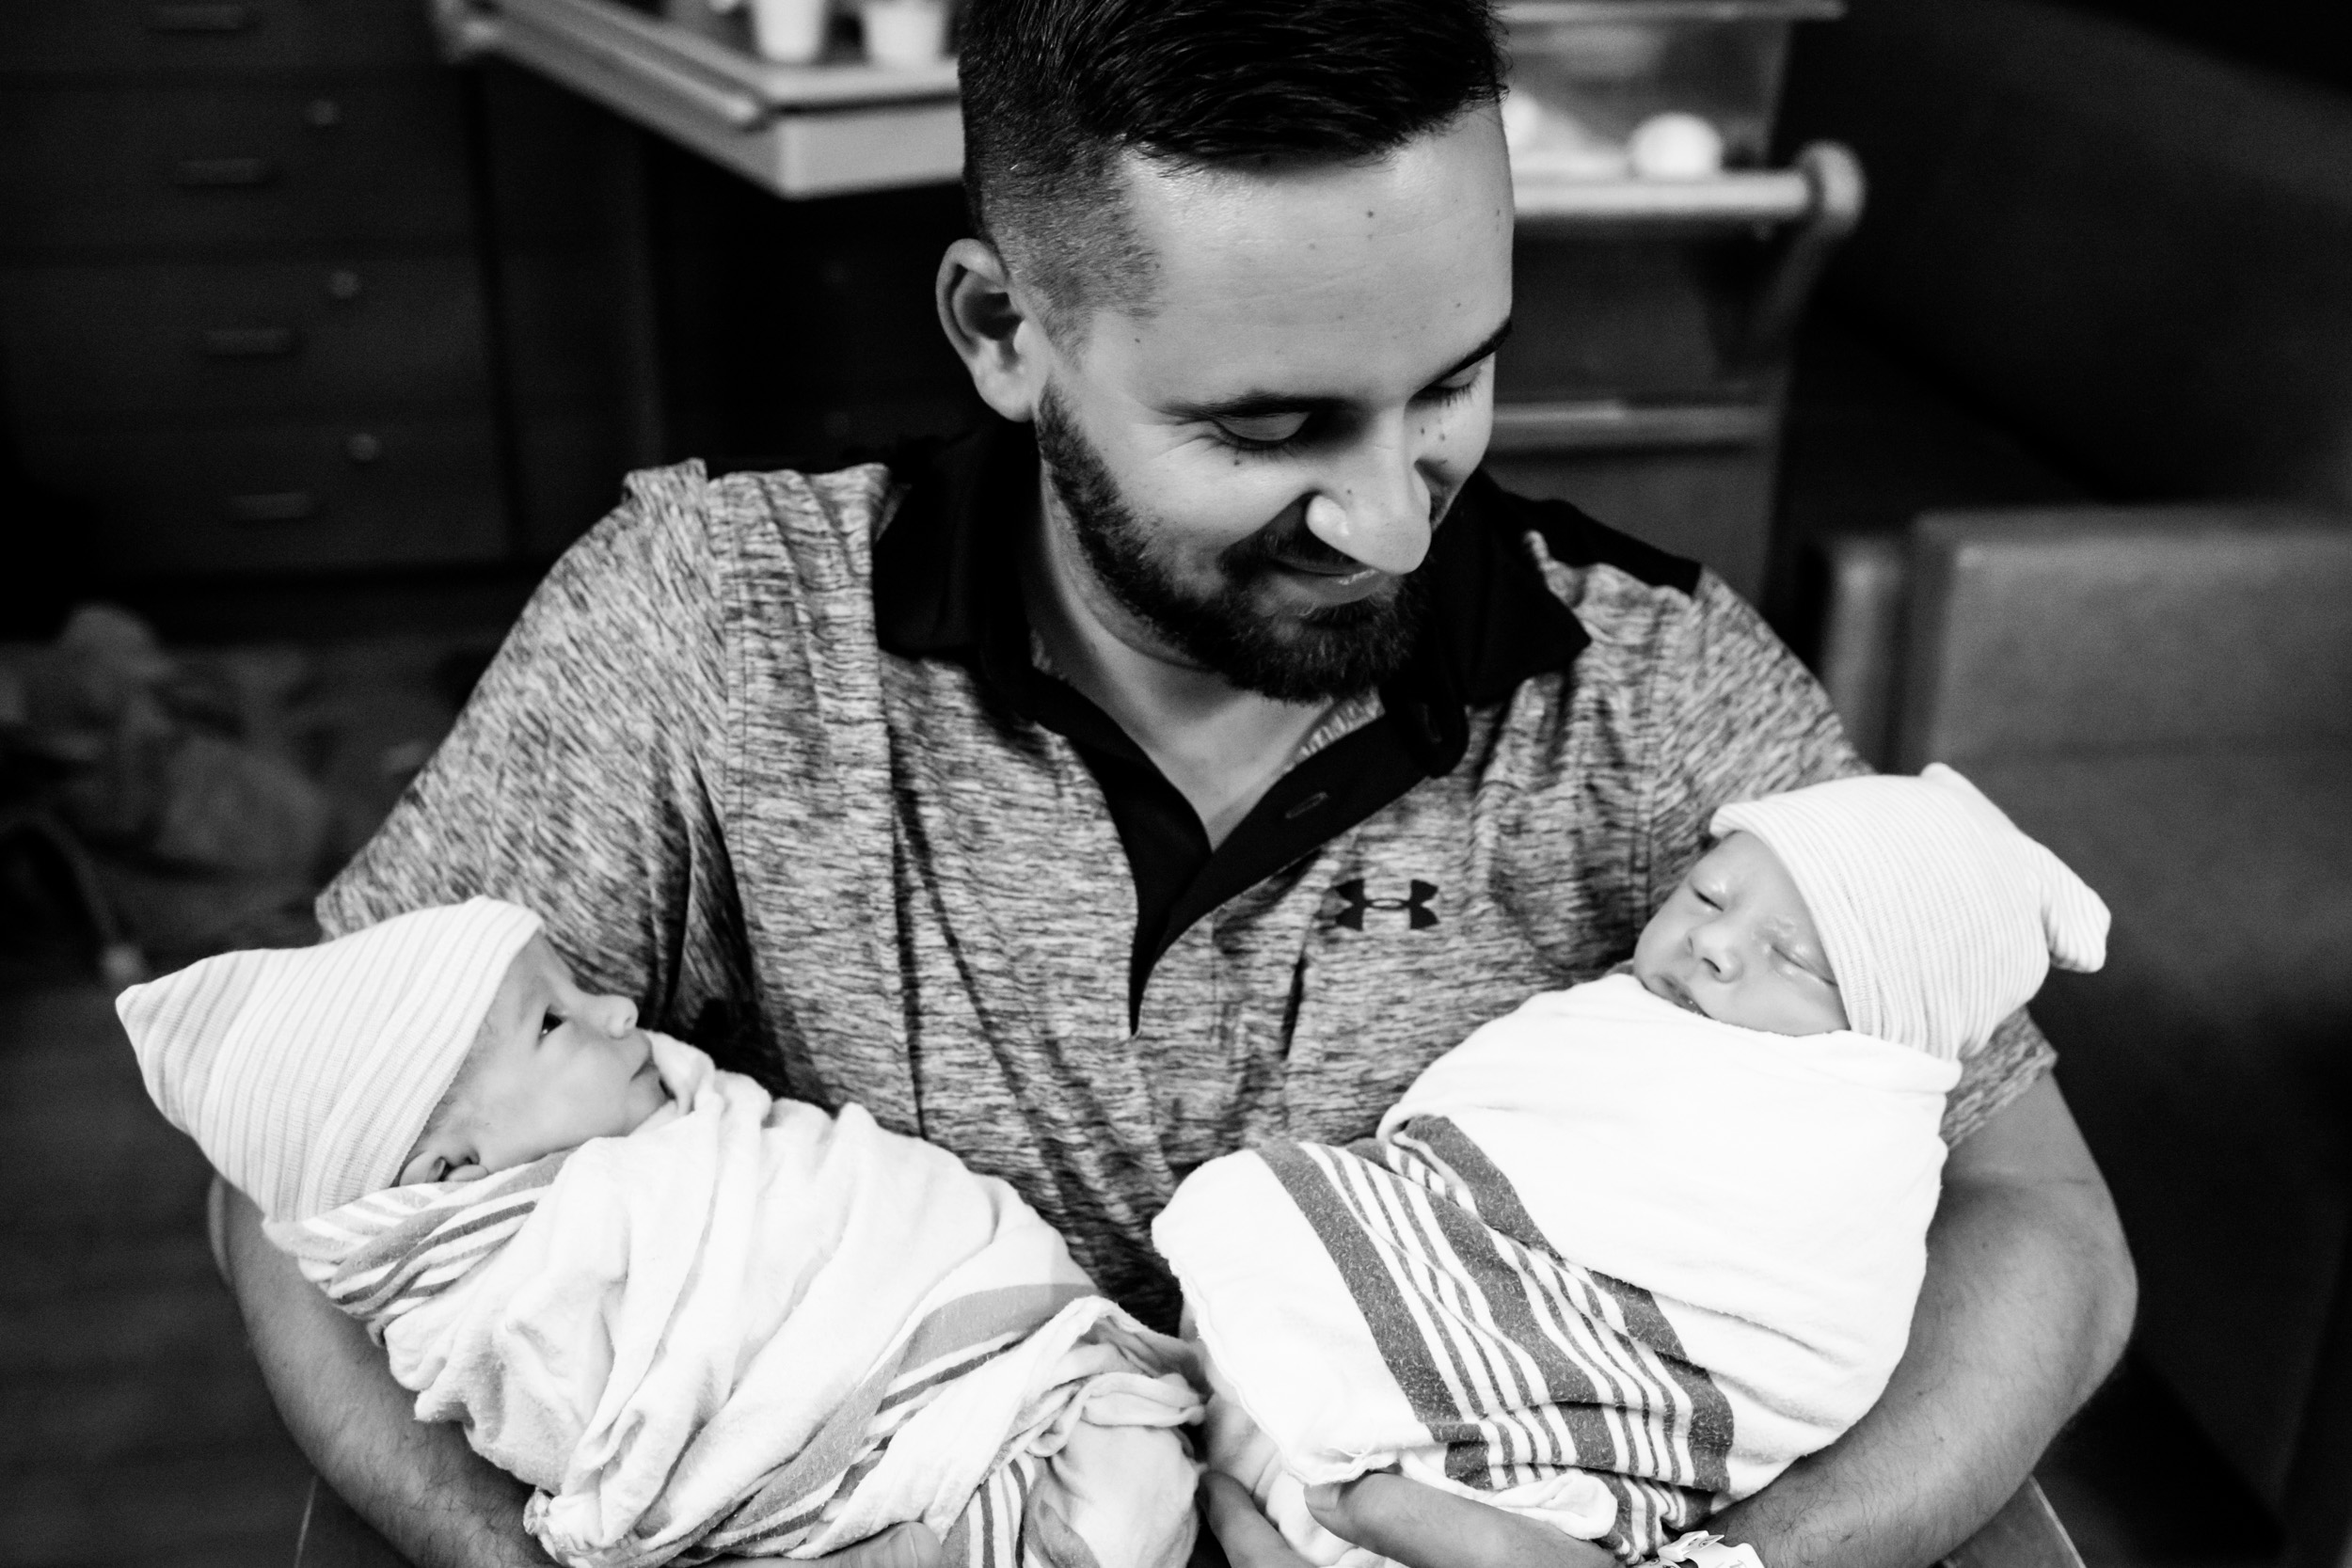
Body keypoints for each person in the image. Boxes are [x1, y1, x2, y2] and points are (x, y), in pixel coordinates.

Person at [212, 2, 2137, 1566]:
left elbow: (2039, 1218)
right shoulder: (705, 632)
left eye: (1453, 381)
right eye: (1269, 426)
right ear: (1001, 332)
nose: (1393, 518)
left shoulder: (1658, 691)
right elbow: (292, 1181)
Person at [1158, 767, 2111, 1567]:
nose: (1714, 942)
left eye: (1795, 957)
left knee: (1255, 1212)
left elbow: (1800, 1316)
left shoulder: (1855, 1122)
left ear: (1887, 1033)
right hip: (1242, 1423)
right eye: (1706, 893)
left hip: (1558, 1487)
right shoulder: (1625, 1021)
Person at [130, 898, 1200, 1568]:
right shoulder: (527, 1286)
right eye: (554, 1021)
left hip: (984, 1349)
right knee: (1121, 1506)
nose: (618, 1007)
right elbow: (623, 1432)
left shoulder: (665, 1125)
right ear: (447, 1172)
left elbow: (827, 1195)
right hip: (874, 1463)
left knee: (1137, 1481)